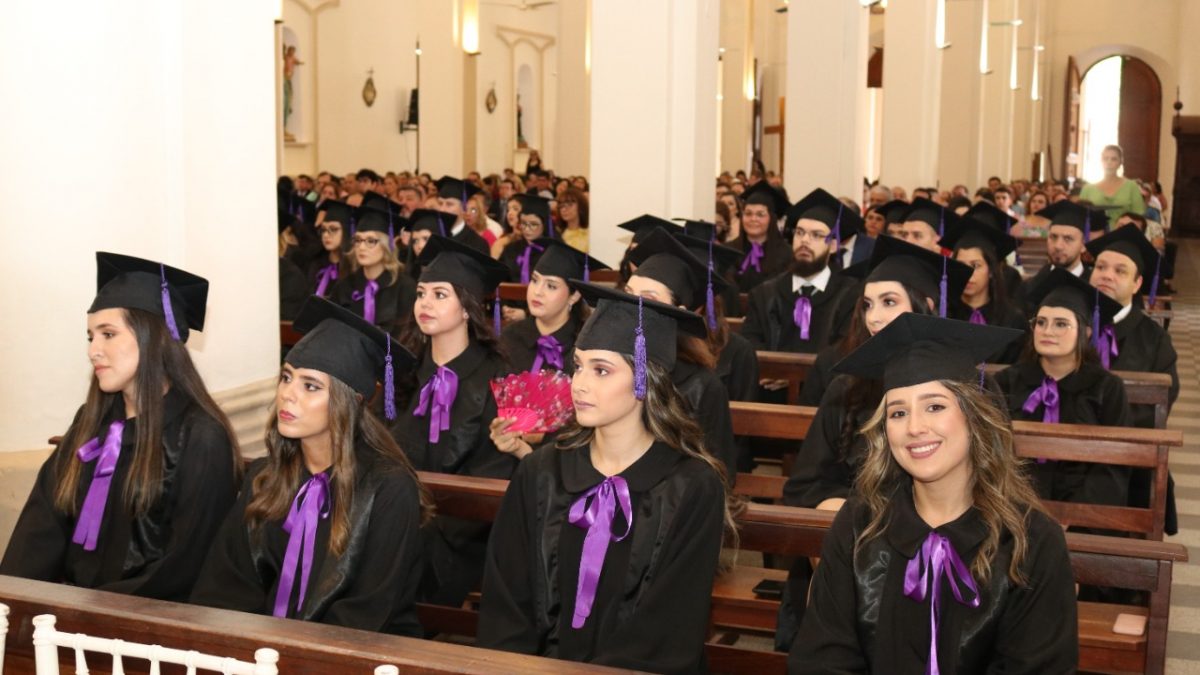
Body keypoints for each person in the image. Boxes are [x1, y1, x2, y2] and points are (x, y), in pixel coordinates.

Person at [790, 314, 1078, 674]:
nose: (914, 428)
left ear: (975, 417)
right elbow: (822, 658)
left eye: (935, 406)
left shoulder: (1031, 541)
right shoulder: (858, 525)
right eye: (897, 412)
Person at [477, 282, 738, 673]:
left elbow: (670, 627)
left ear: (644, 380)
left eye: (601, 370)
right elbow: (506, 602)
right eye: (578, 365)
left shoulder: (691, 487)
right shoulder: (542, 471)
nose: (579, 383)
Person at [1, 253, 241, 601]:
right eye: (90, 337)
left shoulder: (201, 438)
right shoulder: (91, 421)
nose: (93, 351)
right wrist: (14, 602)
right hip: (65, 621)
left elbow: (184, 567)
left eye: (108, 334)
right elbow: (42, 527)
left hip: (144, 631)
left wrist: (93, 613)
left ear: (152, 337)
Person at [191, 298, 431, 634]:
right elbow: (227, 583)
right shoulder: (265, 476)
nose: (288, 394)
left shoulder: (388, 489)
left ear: (351, 400)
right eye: (286, 377)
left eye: (310, 386)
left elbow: (369, 610)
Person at [391, 235, 515, 607]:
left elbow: (494, 473)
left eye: (440, 295)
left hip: (461, 537)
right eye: (421, 293)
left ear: (467, 308)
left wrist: (424, 527)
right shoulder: (404, 367)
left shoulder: (498, 377)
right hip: (397, 518)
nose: (425, 303)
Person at [995, 269, 1132, 513]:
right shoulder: (1008, 381)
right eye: (1041, 322)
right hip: (1015, 506)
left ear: (1086, 331)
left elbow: (1114, 464)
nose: (1048, 331)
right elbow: (995, 452)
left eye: (1061, 324)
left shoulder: (1107, 388)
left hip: (1087, 515)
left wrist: (1076, 514)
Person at [623, 228, 747, 481]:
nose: (631, 306)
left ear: (677, 312)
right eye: (627, 294)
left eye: (648, 298)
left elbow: (719, 474)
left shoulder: (701, 386)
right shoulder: (602, 368)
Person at [1086, 224, 1180, 534]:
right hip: (1061, 465)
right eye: (1100, 266)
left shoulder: (1155, 341)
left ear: (1138, 283)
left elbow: (1157, 408)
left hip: (1127, 466)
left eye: (1120, 271)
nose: (1106, 275)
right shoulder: (1065, 325)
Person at [741, 189, 858, 355]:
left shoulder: (849, 295)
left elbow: (845, 349)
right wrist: (774, 370)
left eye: (816, 235)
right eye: (800, 233)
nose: (805, 240)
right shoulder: (765, 294)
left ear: (833, 246)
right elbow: (750, 342)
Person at [498, 238, 607, 376]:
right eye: (535, 280)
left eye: (551, 286)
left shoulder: (585, 345)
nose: (537, 291)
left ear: (574, 296)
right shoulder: (510, 337)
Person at [940, 214, 1028, 363]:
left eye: (976, 265)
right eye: (961, 265)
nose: (967, 273)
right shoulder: (942, 316)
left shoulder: (1012, 320)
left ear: (992, 271)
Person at [329, 204, 416, 335]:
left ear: (386, 245)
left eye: (371, 241)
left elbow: (407, 337)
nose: (361, 247)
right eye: (358, 240)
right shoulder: (344, 286)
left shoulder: (405, 287)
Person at [1019, 201, 1106, 308]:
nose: (1058, 246)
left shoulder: (1096, 288)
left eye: (1068, 239)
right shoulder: (1028, 287)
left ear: (1083, 245)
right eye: (1053, 237)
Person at [729, 181, 791, 292]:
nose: (753, 219)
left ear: (771, 219)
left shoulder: (787, 254)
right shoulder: (728, 251)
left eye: (760, 214)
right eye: (748, 213)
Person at [1080, 145, 1146, 230]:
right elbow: (1080, 216)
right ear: (1101, 161)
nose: (1109, 162)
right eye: (1105, 158)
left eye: (1113, 159)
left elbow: (1139, 217)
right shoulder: (1087, 189)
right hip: (1094, 237)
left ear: (1120, 162)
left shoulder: (1131, 186)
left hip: (1124, 236)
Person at [434, 175, 491, 254]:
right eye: (440, 203)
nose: (442, 209)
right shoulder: (430, 236)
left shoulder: (477, 244)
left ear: (464, 208)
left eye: (449, 204)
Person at [308, 200, 353, 298]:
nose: (326, 235)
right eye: (323, 230)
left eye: (333, 229)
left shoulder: (354, 269)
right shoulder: (316, 264)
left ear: (346, 231)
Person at [557, 186, 589, 253]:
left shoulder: (589, 235)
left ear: (581, 206)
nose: (563, 209)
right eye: (561, 206)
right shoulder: (557, 234)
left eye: (570, 204)